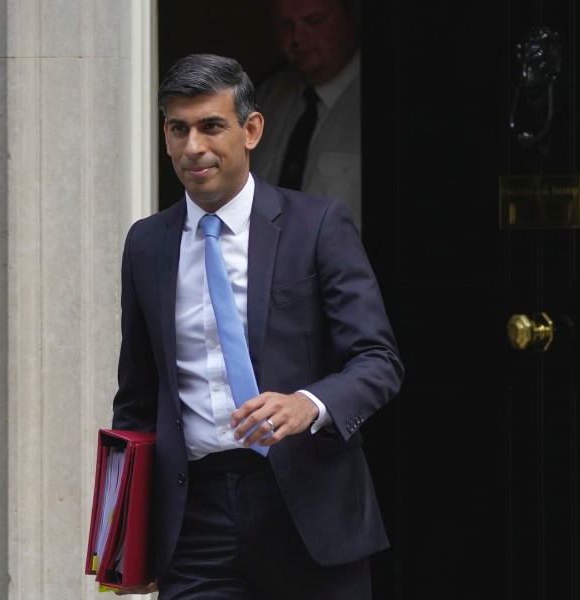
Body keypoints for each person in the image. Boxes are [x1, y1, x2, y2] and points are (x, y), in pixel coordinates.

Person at [111, 53, 402, 599]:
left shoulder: (317, 225)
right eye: (179, 128)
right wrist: (130, 538)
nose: (193, 146)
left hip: (309, 508)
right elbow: (136, 400)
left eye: (211, 126)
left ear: (251, 129)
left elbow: (378, 361)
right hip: (195, 519)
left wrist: (307, 404)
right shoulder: (147, 244)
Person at [251, 0, 362, 227]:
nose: (298, 37)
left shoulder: (385, 101)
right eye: (285, 24)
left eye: (315, 21)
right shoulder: (264, 98)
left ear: (352, 15)